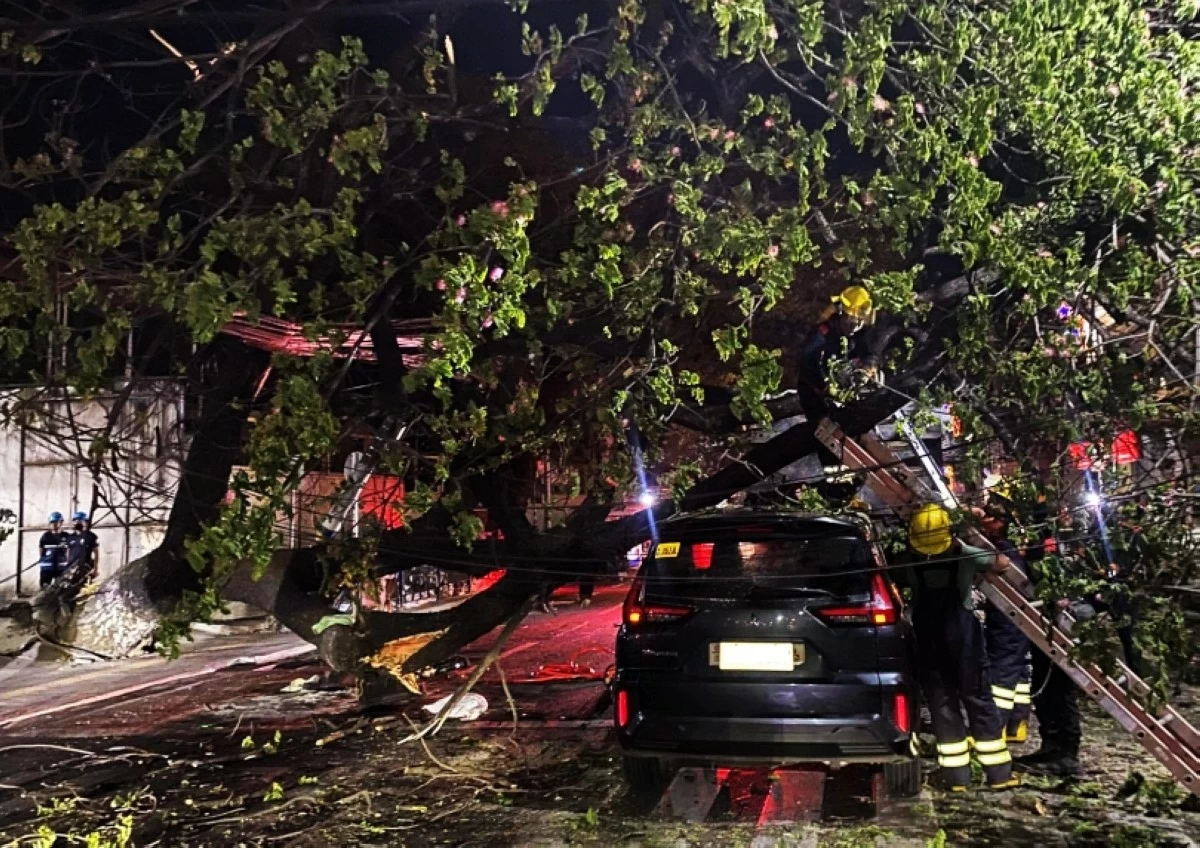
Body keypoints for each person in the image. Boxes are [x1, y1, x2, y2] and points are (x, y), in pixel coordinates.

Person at [905, 503, 1018, 791]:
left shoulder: (907, 559)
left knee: (941, 701)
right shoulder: (964, 554)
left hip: (928, 636)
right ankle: (999, 775)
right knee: (978, 697)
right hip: (963, 634)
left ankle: (956, 777)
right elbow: (1002, 564)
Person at [1016, 508, 1082, 777]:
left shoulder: (1057, 554)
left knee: (1060, 689)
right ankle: (1051, 744)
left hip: (1061, 626)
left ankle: (1067, 753)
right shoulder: (1041, 553)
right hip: (1042, 625)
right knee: (1043, 688)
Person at [973, 505, 1033, 743]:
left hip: (1007, 622)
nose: (983, 525)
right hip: (1013, 621)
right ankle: (1016, 725)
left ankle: (993, 730)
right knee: (1018, 673)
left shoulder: (1003, 553)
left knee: (1002, 677)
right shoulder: (1011, 549)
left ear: (1000, 522)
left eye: (987, 519)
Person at [795, 285, 876, 423]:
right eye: (851, 322)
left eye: (860, 323)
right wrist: (825, 387)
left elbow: (869, 353)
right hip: (816, 396)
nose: (855, 327)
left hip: (844, 392)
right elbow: (805, 364)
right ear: (841, 314)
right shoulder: (821, 336)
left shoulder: (857, 335)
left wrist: (867, 368)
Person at [65, 511, 100, 581]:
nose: (77, 523)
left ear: (85, 522)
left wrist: (95, 569)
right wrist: (67, 567)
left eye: (80, 521)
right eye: (75, 521)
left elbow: (96, 553)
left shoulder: (91, 536)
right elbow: (68, 552)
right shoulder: (70, 537)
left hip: (85, 568)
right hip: (72, 568)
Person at [38, 512, 68, 588]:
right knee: (45, 588)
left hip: (61, 568)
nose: (54, 524)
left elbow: (68, 551)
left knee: (61, 589)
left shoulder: (66, 536)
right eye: (52, 522)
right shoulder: (45, 536)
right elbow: (41, 550)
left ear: (61, 523)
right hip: (47, 568)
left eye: (56, 522)